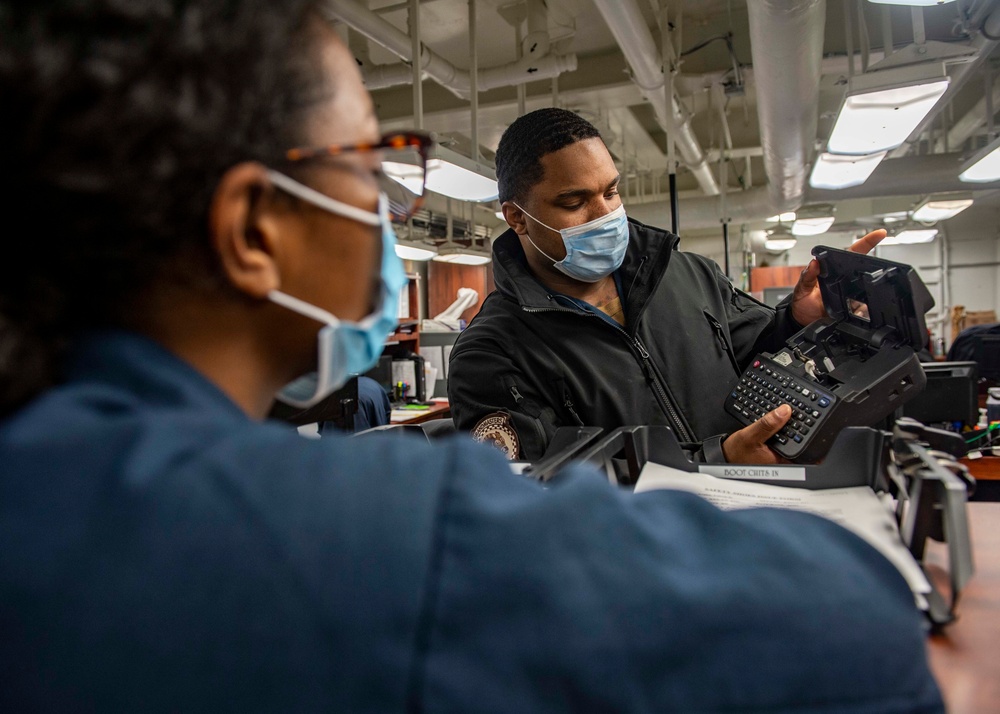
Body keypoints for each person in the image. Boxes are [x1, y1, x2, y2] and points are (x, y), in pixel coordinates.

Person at [0, 2, 942, 711]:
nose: (384, 210)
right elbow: (848, 625)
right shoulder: (358, 535)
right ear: (254, 231)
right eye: (368, 166)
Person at [448, 108, 887, 464]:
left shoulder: (687, 275)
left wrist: (797, 319)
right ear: (517, 217)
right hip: (641, 557)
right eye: (575, 202)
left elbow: (757, 354)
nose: (603, 214)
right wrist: (717, 460)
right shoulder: (491, 352)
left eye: (611, 192)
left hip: (753, 515)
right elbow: (540, 489)